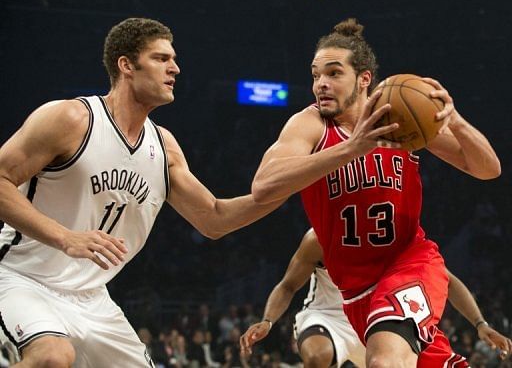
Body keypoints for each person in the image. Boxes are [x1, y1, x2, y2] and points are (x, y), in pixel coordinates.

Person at [0, 18, 280, 367]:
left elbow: (215, 219)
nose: (175, 68)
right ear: (126, 65)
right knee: (52, 357)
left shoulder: (163, 147)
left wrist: (292, 184)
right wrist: (64, 237)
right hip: (21, 277)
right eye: (161, 58)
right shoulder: (71, 118)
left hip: (92, 298)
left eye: (173, 59)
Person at [251, 18, 501, 367]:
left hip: (410, 263)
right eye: (315, 74)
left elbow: (488, 168)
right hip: (355, 292)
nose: (320, 84)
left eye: (334, 73)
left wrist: (454, 120)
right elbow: (263, 186)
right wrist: (351, 149)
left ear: (364, 78)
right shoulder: (309, 124)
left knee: (383, 362)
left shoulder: (397, 115)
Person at [240, 229, 512, 367]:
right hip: (329, 315)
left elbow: (446, 279)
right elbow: (288, 285)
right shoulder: (319, 239)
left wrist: (480, 323)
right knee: (317, 355)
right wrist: (267, 321)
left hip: (379, 318)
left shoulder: (391, 230)